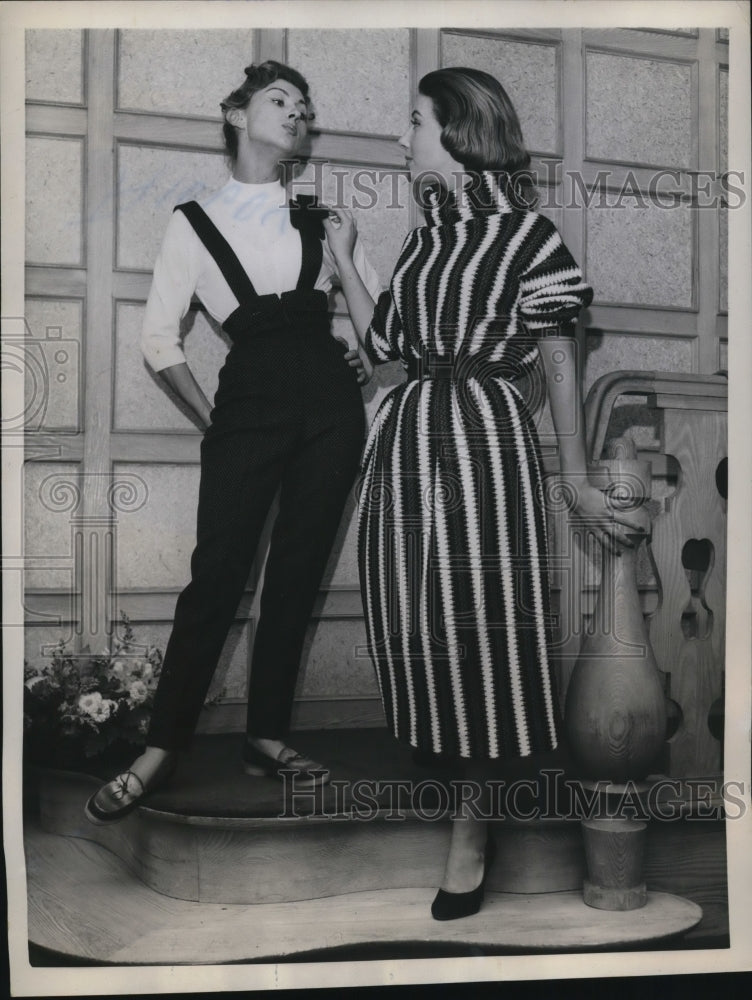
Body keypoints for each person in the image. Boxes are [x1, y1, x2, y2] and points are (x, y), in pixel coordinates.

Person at [323, 67, 644, 920]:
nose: (402, 138)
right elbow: (386, 339)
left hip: (483, 439)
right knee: (410, 618)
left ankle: (472, 827)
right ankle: (463, 783)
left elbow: (558, 359)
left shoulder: (528, 236)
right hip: (405, 437)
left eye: (416, 122)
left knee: (480, 623)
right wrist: (345, 259)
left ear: (460, 133)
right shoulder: (428, 239)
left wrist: (572, 476)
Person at [85, 60, 381, 824]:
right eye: (281, 100)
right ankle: (162, 745)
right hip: (246, 404)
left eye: (305, 107)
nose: (298, 114)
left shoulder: (321, 218)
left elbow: (382, 332)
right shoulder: (194, 219)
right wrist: (213, 419)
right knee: (215, 578)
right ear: (235, 112)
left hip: (332, 408)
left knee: (296, 574)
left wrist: (351, 307)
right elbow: (158, 340)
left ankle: (267, 736)